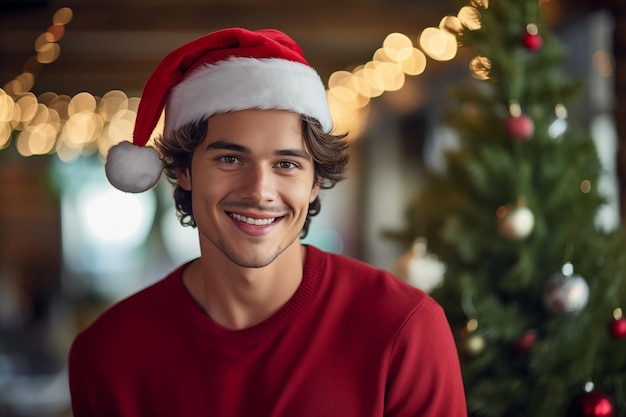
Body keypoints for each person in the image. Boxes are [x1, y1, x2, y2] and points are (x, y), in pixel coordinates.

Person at [68, 27, 467, 416]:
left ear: (315, 182)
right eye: (230, 159)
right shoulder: (108, 353)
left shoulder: (405, 329)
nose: (260, 191)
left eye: (287, 164)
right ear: (185, 171)